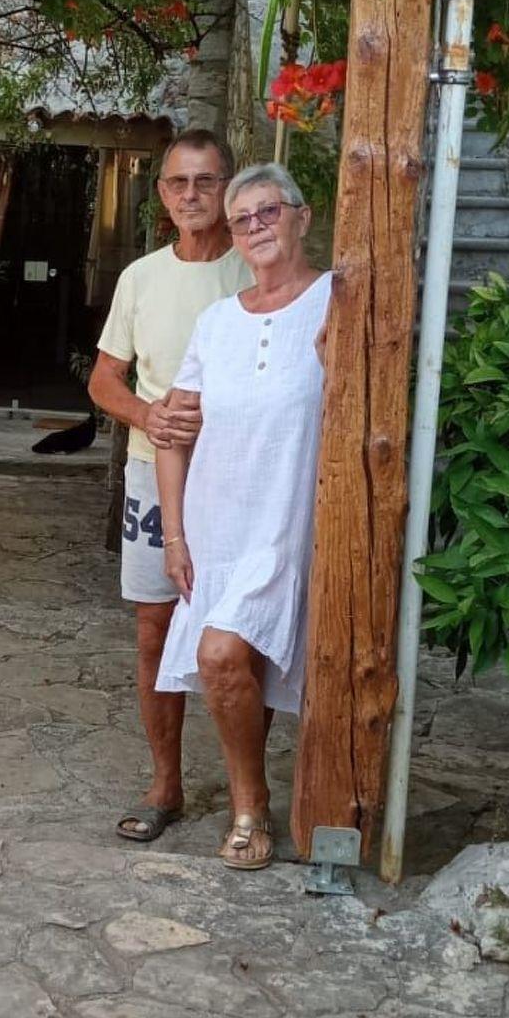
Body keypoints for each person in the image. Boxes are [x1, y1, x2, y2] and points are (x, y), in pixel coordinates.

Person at [154, 162, 331, 871]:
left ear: (302, 217)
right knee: (233, 667)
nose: (256, 227)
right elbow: (172, 432)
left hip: (287, 526)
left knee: (222, 656)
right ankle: (250, 799)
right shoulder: (218, 323)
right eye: (242, 220)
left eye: (269, 211)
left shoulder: (335, 301)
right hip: (217, 528)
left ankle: (251, 803)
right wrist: (174, 536)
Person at [88, 130, 255, 843]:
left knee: (242, 631)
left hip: (240, 474)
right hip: (154, 475)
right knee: (155, 627)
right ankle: (166, 784)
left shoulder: (254, 270)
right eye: (179, 182)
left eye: (206, 181)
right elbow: (104, 378)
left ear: (228, 189)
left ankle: (249, 795)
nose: (192, 194)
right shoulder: (141, 278)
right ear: (161, 193)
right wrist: (147, 415)